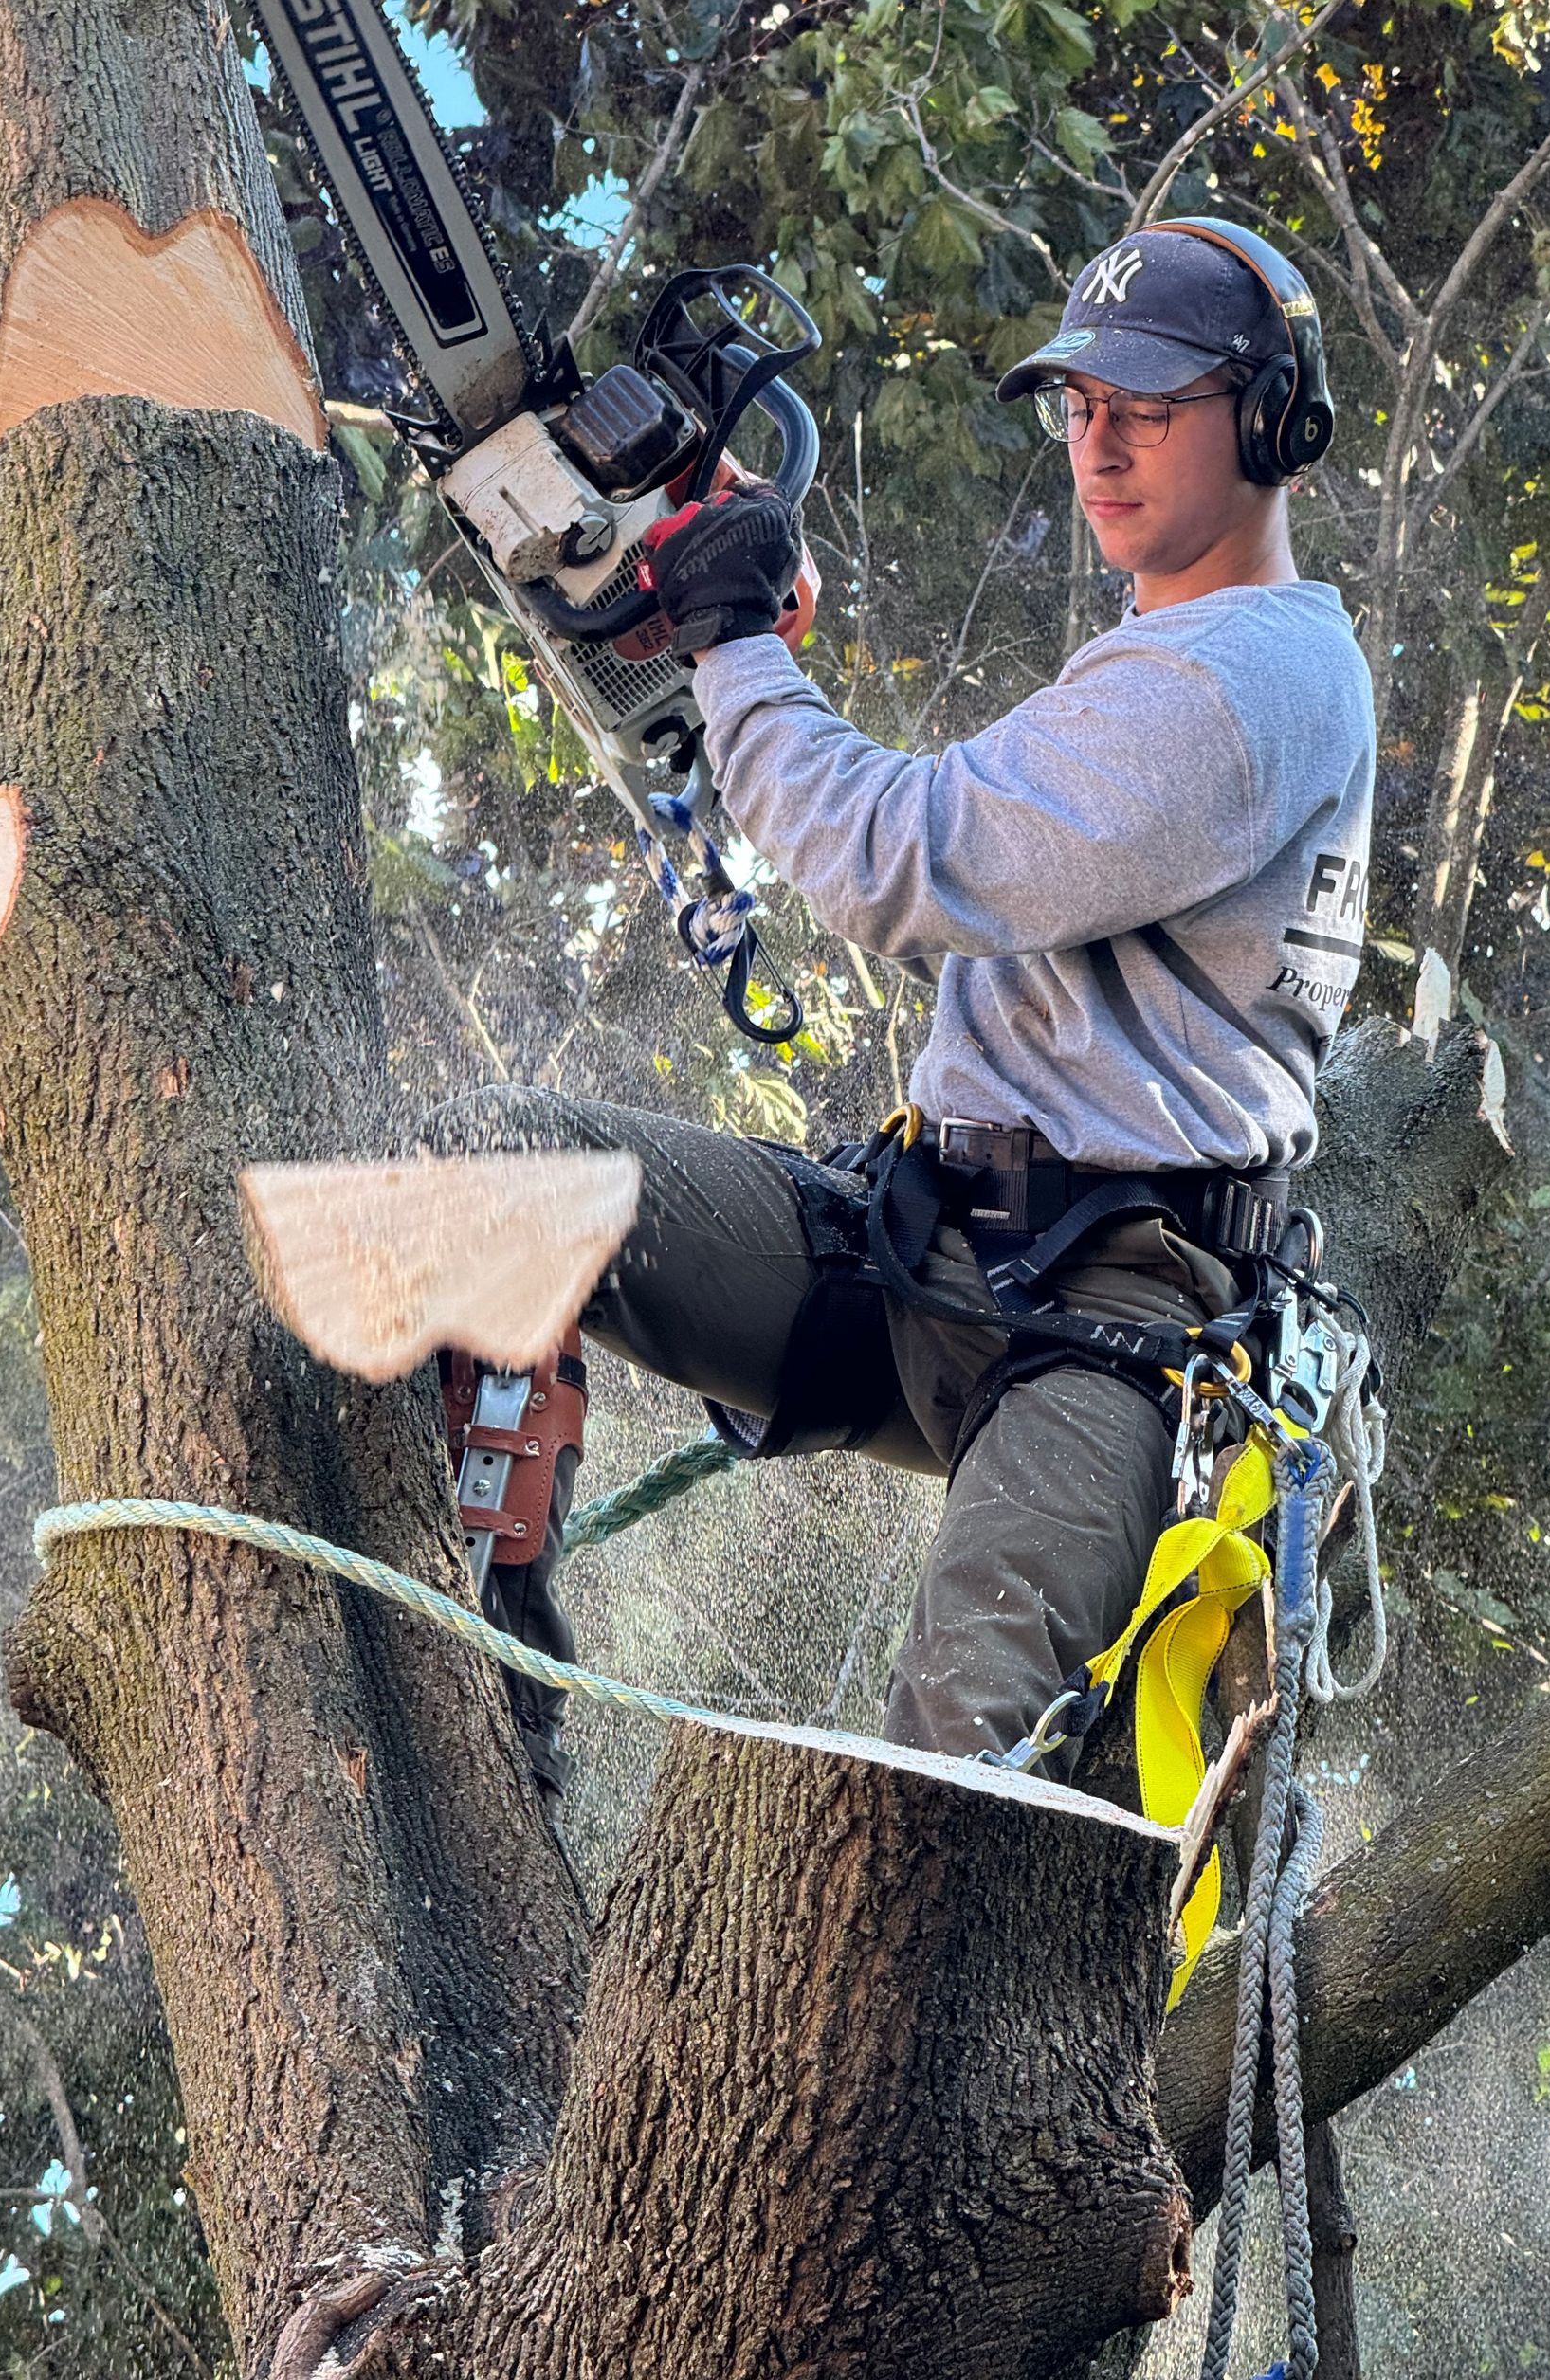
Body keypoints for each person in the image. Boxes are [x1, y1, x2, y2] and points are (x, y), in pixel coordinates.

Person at [455, 218, 1376, 1798]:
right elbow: (942, 870)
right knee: (488, 1176)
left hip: (1109, 1327)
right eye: (1081, 406)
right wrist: (710, 584)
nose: (1101, 445)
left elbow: (900, 858)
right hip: (921, 1245)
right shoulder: (1158, 665)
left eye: (1147, 410)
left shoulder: (1241, 685)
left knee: (939, 1794)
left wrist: (733, 636)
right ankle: (486, 1693)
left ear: (1271, 416)